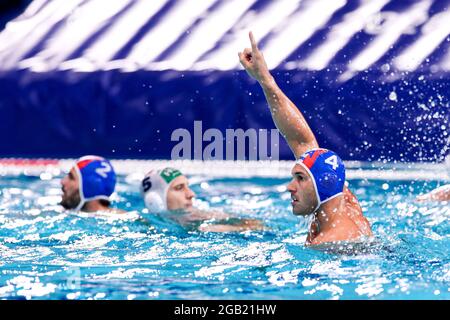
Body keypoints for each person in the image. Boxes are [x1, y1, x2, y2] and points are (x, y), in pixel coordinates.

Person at [238, 32, 372, 245]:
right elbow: (300, 138)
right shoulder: (341, 199)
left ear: (323, 184)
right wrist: (265, 79)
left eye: (300, 178)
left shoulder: (331, 244)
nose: (290, 187)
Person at [140, 167, 264, 232]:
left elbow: (257, 225)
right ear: (155, 200)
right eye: (179, 188)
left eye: (187, 187)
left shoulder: (207, 217)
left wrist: (236, 228)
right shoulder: (143, 225)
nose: (191, 194)